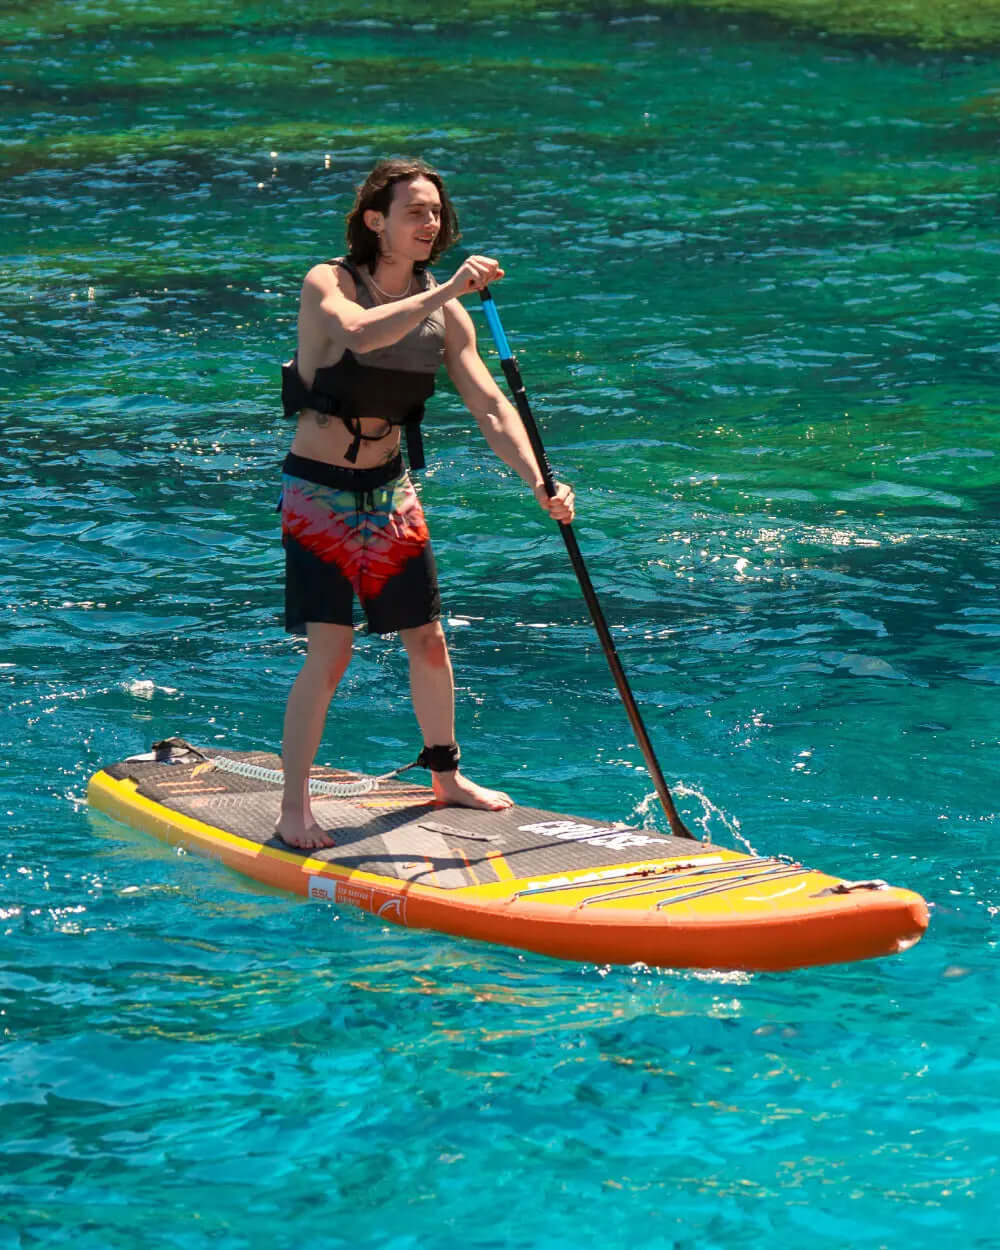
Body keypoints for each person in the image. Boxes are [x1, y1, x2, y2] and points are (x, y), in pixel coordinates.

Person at [276, 157, 575, 849]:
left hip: (388, 491)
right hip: (317, 493)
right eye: (415, 211)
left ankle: (446, 775)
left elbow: (491, 407)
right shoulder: (329, 282)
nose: (430, 223)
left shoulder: (448, 314)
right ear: (375, 220)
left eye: (436, 212)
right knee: (332, 651)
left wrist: (540, 480)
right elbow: (360, 333)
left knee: (429, 638)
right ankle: (294, 808)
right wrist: (447, 292)